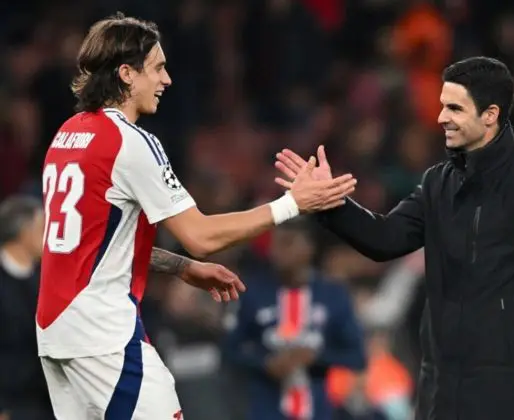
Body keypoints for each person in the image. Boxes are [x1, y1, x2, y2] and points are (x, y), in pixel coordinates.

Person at [36, 12, 356, 420]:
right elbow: (202, 235)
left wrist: (182, 266)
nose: (166, 80)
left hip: (55, 333)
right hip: (103, 336)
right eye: (158, 68)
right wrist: (293, 203)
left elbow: (92, 241)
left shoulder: (66, 135)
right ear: (127, 74)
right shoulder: (130, 142)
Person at [274, 56, 514, 420]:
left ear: (490, 115)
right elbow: (386, 238)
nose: (441, 117)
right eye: (442, 106)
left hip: (507, 384)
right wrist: (330, 203)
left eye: (454, 108)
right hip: (440, 381)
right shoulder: (437, 183)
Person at [222, 218, 366, 420]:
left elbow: (357, 356)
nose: (277, 252)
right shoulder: (252, 292)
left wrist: (316, 357)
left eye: (287, 243)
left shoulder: (333, 295)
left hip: (319, 410)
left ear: (309, 247)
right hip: (265, 410)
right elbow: (230, 349)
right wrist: (264, 362)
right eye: (275, 244)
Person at [0, 196, 54, 420]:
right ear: (23, 232)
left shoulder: (47, 281)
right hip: (11, 404)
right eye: (42, 227)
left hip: (48, 401)